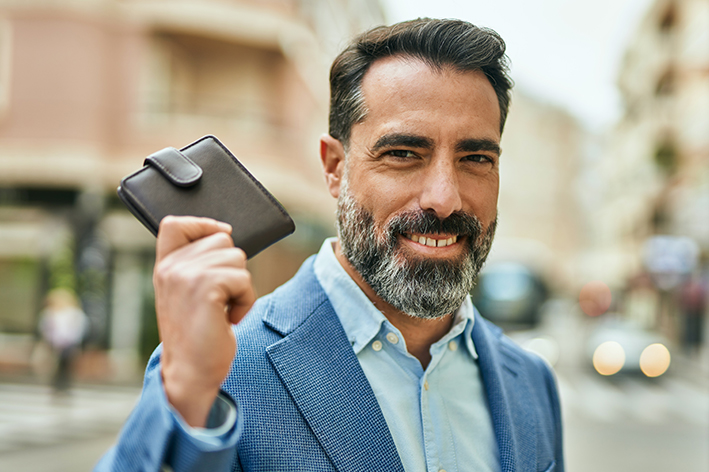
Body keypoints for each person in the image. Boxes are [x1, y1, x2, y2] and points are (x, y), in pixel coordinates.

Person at [96, 18, 564, 472]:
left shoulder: (530, 381)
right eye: (403, 154)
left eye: (476, 158)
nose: (444, 199)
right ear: (334, 167)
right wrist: (186, 393)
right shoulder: (219, 367)